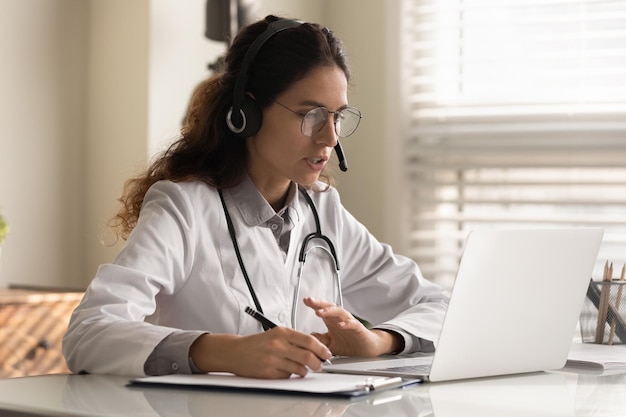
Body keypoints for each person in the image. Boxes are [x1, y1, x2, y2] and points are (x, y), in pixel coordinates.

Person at [62, 15, 449, 379]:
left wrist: (377, 341)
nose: (329, 137)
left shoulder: (322, 208)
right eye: (311, 114)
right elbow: (89, 333)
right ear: (246, 112)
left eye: (337, 117)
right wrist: (227, 352)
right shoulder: (185, 208)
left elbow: (443, 307)